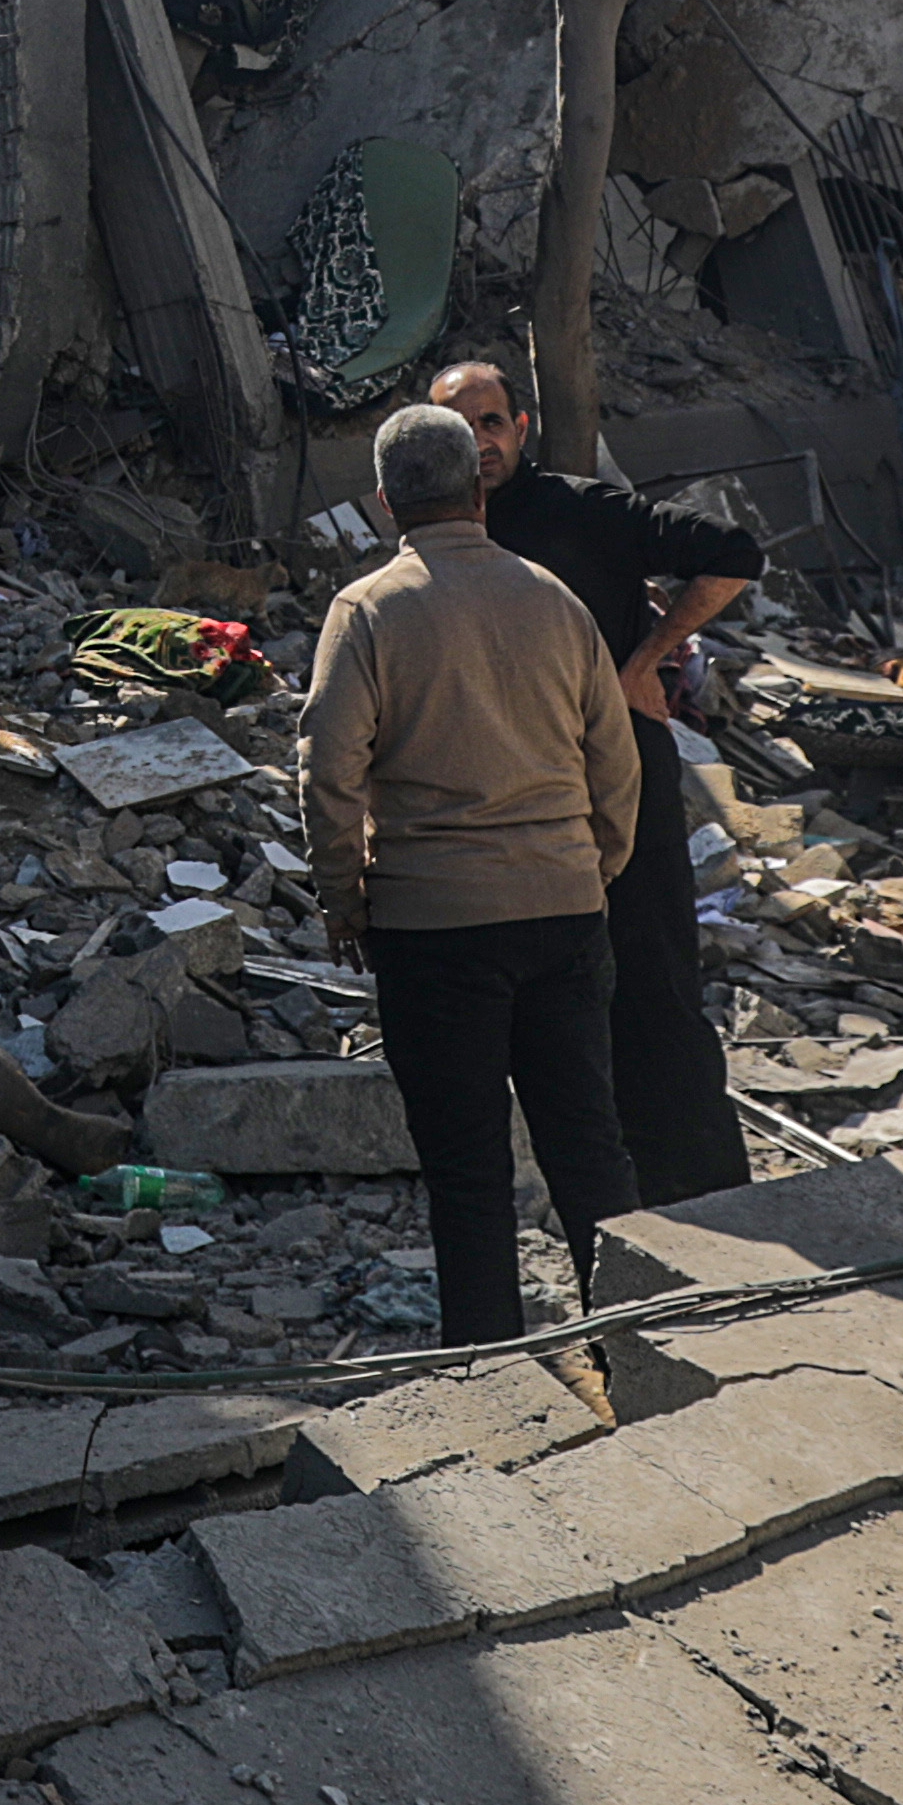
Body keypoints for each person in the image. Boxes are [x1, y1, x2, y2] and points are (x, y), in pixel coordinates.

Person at [304, 403, 639, 1345]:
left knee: (466, 1169)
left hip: (433, 929)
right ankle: (638, 1346)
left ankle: (487, 1368)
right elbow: (616, 762)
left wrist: (346, 899)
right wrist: (591, 869)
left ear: (385, 502)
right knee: (589, 1150)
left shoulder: (368, 610)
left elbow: (328, 771)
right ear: (478, 490)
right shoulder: (555, 600)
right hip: (564, 911)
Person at [426, 353, 750, 1204]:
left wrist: (644, 662)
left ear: (521, 428)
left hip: (619, 777)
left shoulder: (580, 510)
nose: (478, 441)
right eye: (458, 427)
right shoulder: (438, 536)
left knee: (654, 978)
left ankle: (704, 1189)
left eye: (491, 422)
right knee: (555, 996)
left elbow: (733, 553)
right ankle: (607, 1197)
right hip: (516, 795)